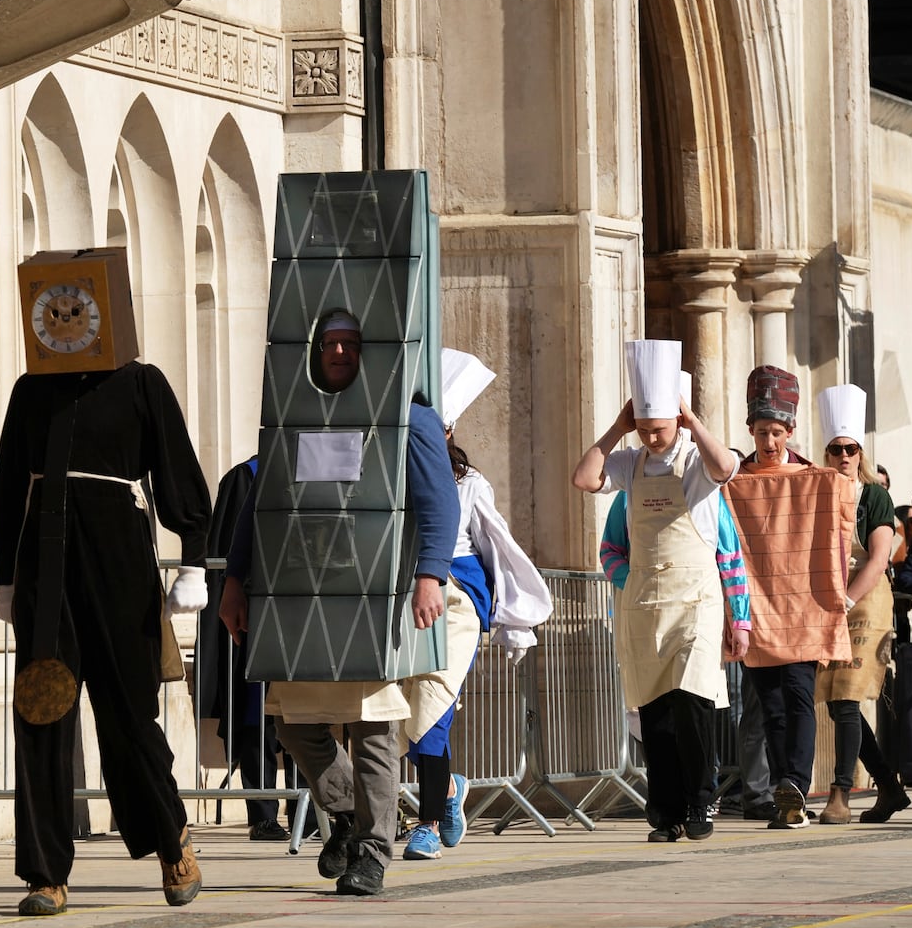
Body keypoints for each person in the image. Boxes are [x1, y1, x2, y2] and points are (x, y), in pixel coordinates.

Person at [219, 312, 459, 896]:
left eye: (350, 344)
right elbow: (262, 503)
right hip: (298, 593)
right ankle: (351, 814)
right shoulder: (291, 414)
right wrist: (235, 578)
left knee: (372, 723)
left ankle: (374, 851)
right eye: (328, 343)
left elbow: (439, 504)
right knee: (294, 722)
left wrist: (431, 574)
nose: (338, 353)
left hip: (370, 593)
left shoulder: (411, 417)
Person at [0, 321, 211, 917]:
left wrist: (193, 560)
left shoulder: (142, 383)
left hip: (119, 564)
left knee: (129, 717)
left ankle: (172, 841)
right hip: (46, 566)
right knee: (43, 713)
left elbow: (176, 470)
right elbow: (9, 483)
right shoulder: (31, 389)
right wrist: (6, 576)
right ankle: (45, 873)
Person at [574, 342, 742, 842]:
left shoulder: (695, 463)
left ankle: (701, 801)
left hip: (695, 600)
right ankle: (664, 811)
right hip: (645, 602)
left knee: (692, 704)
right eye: (645, 428)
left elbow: (727, 467)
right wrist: (617, 429)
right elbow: (585, 478)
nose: (652, 436)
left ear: (678, 420)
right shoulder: (629, 461)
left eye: (660, 427)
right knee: (655, 711)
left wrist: (692, 421)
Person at [401, 350, 551, 860]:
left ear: (444, 436)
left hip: (456, 602)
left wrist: (514, 621)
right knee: (395, 712)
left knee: (432, 710)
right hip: (400, 600)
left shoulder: (469, 485)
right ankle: (446, 791)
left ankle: (423, 824)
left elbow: (499, 549)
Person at [723, 366, 854, 829]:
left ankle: (794, 782)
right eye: (762, 432)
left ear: (790, 431)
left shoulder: (813, 478)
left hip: (803, 609)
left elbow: (846, 518)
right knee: (770, 706)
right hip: (755, 609)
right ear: (750, 431)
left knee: (798, 697)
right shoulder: (734, 481)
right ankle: (786, 791)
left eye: (777, 432)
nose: (770, 441)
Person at [812, 385, 906, 825]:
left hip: (866, 599)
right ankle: (888, 786)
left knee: (848, 698)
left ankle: (840, 795)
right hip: (830, 602)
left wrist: (846, 599)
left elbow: (880, 557)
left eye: (850, 448)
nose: (844, 455)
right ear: (827, 454)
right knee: (835, 702)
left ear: (860, 452)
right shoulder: (817, 493)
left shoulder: (875, 497)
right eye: (836, 449)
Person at [198, 456, 290, 841]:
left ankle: (309, 808)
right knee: (256, 717)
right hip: (256, 616)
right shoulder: (246, 477)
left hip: (302, 612)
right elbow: (227, 557)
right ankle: (263, 811)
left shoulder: (320, 467)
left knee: (302, 717)